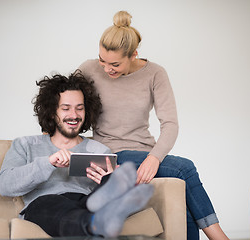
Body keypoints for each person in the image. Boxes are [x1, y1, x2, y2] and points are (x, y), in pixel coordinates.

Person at [78, 11, 229, 240]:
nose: (107, 69)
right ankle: (220, 238)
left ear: (134, 54)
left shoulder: (155, 74)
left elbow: (170, 124)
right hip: (106, 154)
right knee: (184, 169)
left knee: (181, 199)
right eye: (102, 60)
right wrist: (51, 134)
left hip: (142, 154)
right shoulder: (89, 69)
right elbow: (63, 101)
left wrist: (154, 157)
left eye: (115, 64)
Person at [0, 71, 154, 238]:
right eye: (66, 108)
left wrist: (108, 179)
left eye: (80, 108)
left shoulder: (98, 150)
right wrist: (48, 163)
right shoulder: (25, 145)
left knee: (100, 193)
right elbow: (4, 185)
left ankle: (102, 211)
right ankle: (95, 221)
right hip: (46, 204)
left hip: (86, 201)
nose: (74, 115)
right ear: (51, 112)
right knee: (48, 203)